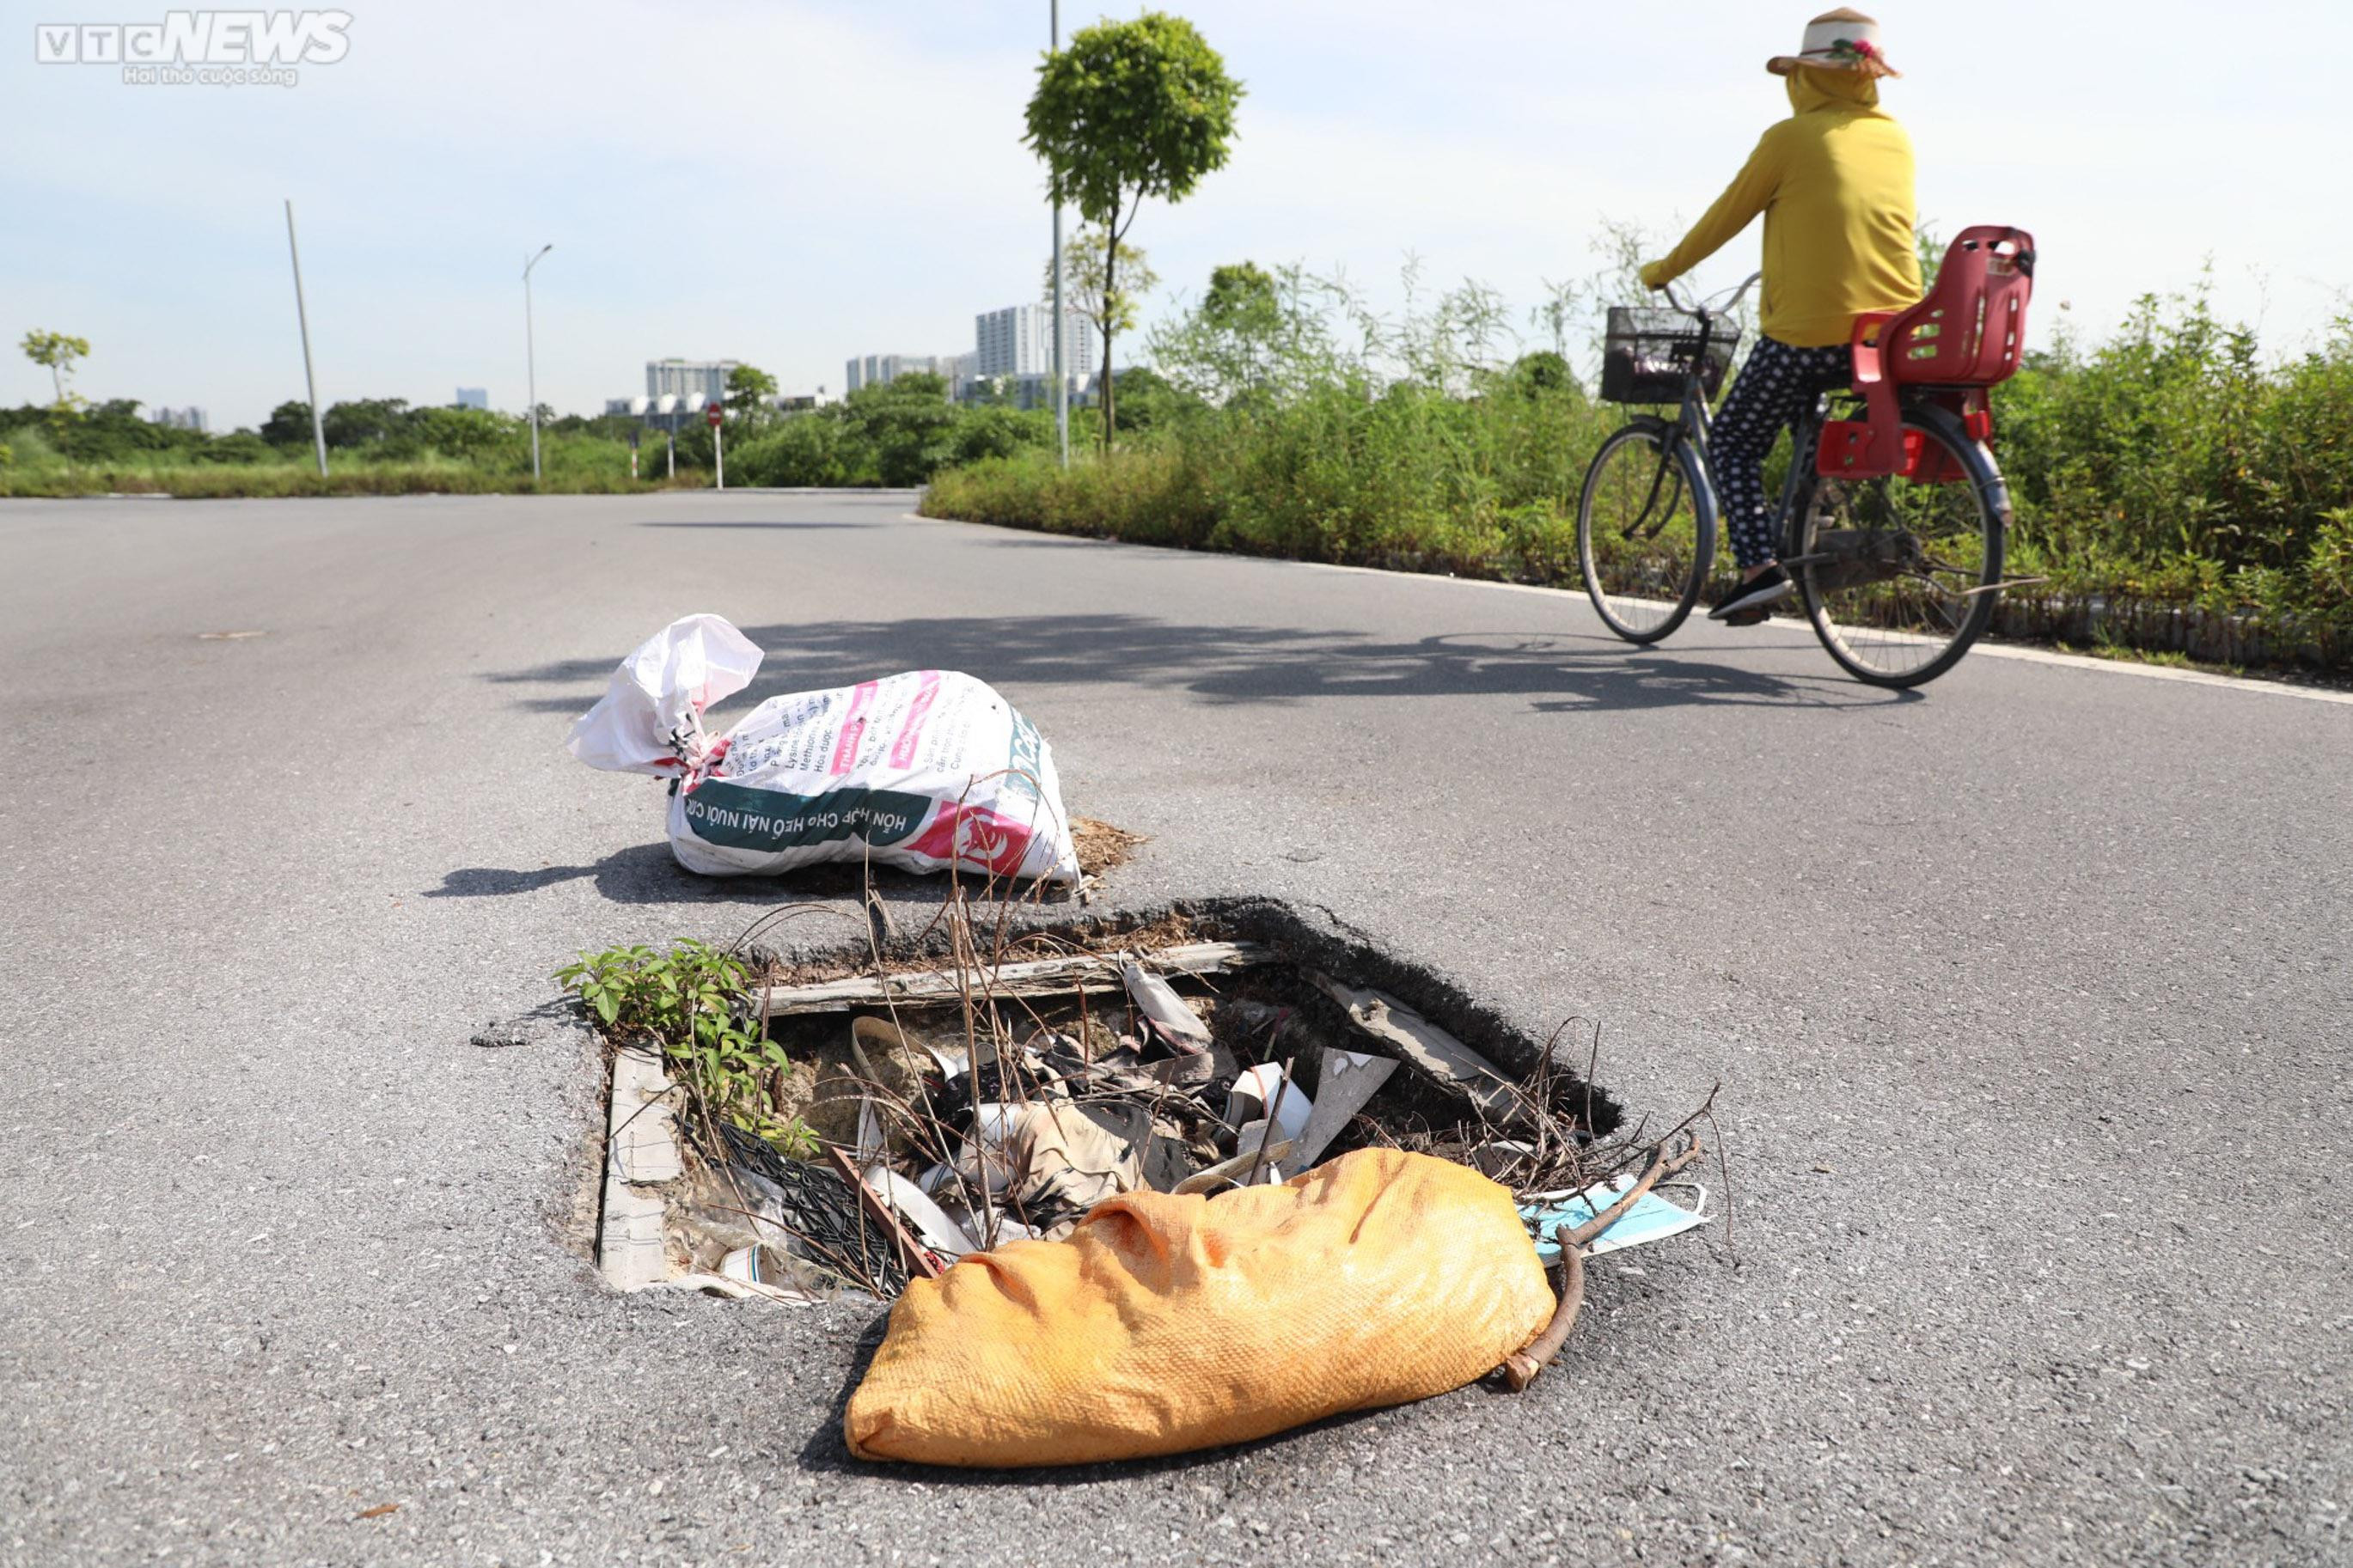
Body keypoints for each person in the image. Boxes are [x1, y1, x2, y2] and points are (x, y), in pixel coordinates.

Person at [1639, 8, 1922, 622]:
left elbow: (1725, 216)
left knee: (1735, 443)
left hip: (1812, 335)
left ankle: (1758, 569)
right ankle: (1813, 530)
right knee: (1807, 435)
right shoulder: (1896, 138)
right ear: (1866, 78)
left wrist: (1662, 269)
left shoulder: (1788, 140)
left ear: (1809, 78)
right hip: (1889, 336)